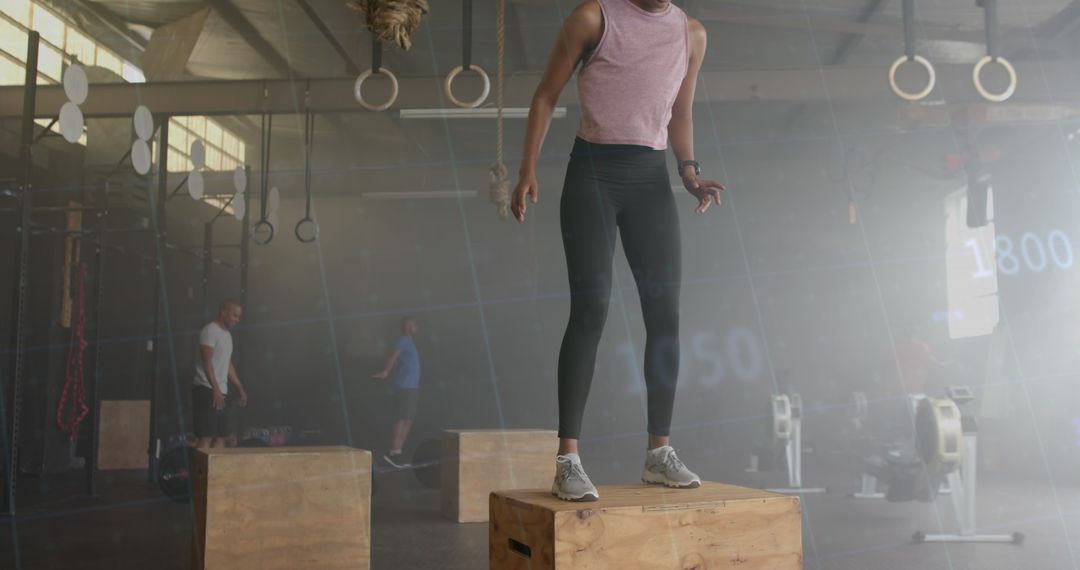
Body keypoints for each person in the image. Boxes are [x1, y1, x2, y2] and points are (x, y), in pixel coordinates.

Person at [511, 0, 725, 501]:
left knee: (665, 314)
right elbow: (545, 95)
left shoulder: (691, 34)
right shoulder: (594, 18)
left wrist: (689, 172)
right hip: (593, 176)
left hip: (650, 180)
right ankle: (568, 458)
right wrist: (526, 170)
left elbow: (680, 111)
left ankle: (659, 453)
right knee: (591, 310)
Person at [192, 300, 248, 449]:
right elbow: (207, 362)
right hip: (206, 389)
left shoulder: (227, 335)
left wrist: (239, 387)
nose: (237, 320)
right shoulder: (210, 331)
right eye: (235, 316)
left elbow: (227, 363)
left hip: (221, 391)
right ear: (223, 312)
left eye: (239, 317)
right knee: (206, 437)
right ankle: (197, 472)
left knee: (220, 437)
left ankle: (217, 472)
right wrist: (214, 388)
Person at [372, 316, 421, 468]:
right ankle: (393, 452)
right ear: (407, 326)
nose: (417, 327)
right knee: (402, 418)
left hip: (412, 387)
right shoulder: (402, 341)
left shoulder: (411, 342)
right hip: (404, 386)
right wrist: (386, 371)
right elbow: (393, 356)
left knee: (408, 420)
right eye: (414, 324)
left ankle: (397, 452)